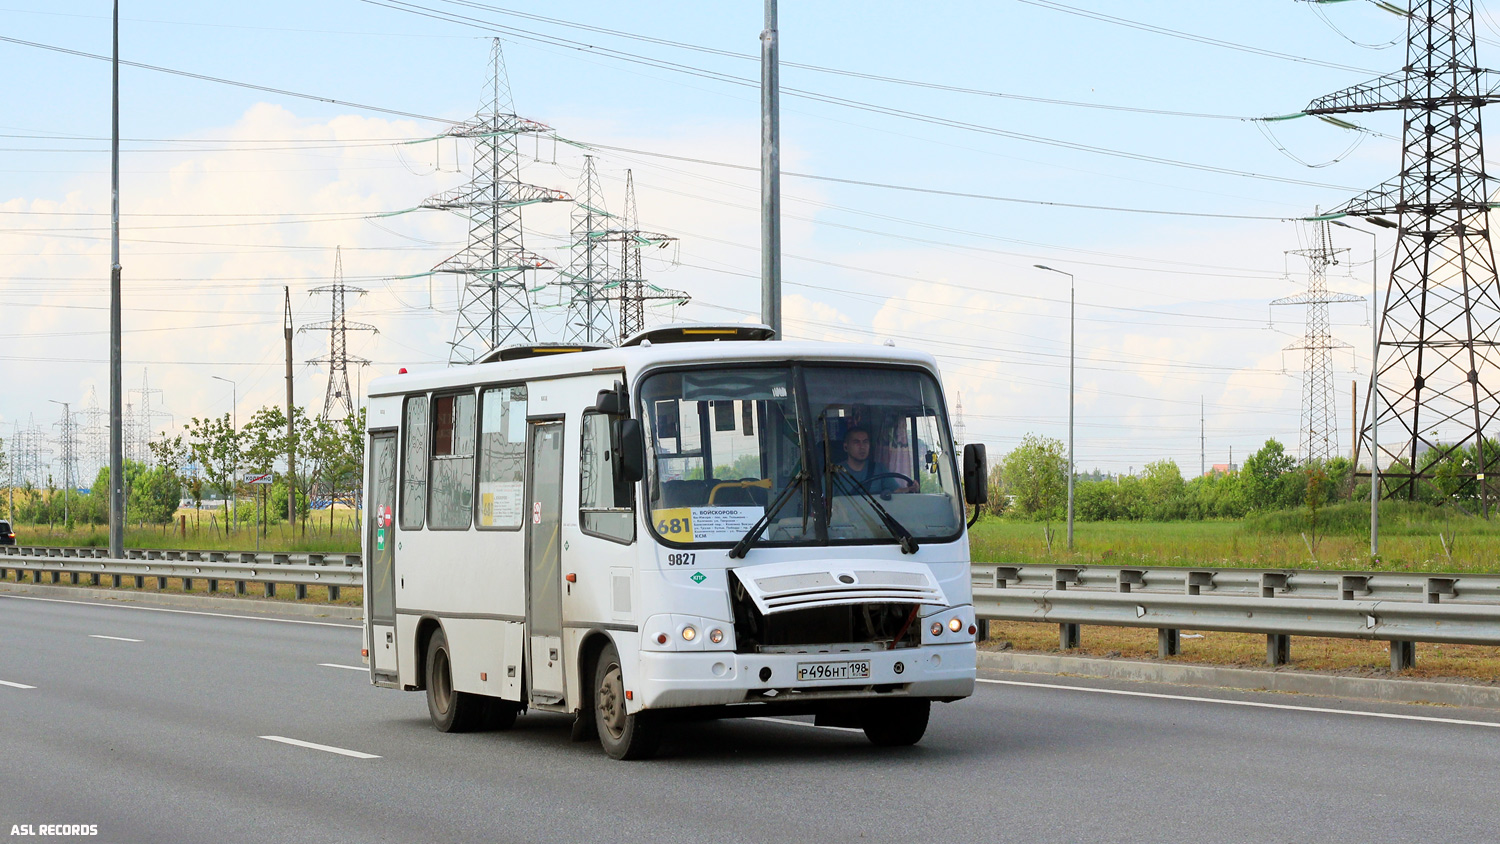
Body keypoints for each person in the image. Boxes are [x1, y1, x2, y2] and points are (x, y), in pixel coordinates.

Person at [835, 426, 915, 495]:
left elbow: (897, 492)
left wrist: (911, 488)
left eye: (865, 442)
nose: (862, 447)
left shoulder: (879, 469)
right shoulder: (834, 473)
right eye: (856, 442)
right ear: (846, 447)